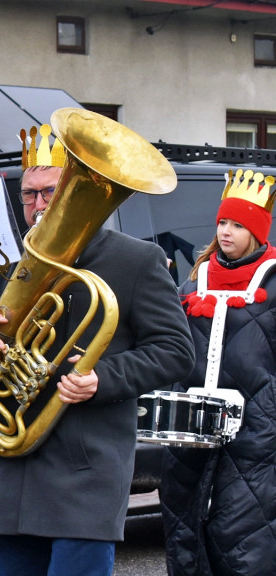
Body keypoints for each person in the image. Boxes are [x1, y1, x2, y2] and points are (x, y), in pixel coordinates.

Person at [0, 123, 194, 576]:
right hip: (10, 471)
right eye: (29, 194)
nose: (38, 205)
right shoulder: (5, 260)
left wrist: (102, 378)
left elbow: (175, 350)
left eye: (50, 191)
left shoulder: (136, 259)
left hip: (85, 469)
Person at [160, 169, 276, 576]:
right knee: (186, 527)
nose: (226, 232)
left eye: (238, 224)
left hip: (257, 433)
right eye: (223, 222)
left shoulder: (274, 282)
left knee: (244, 537)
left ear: (258, 231)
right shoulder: (196, 280)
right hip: (191, 427)